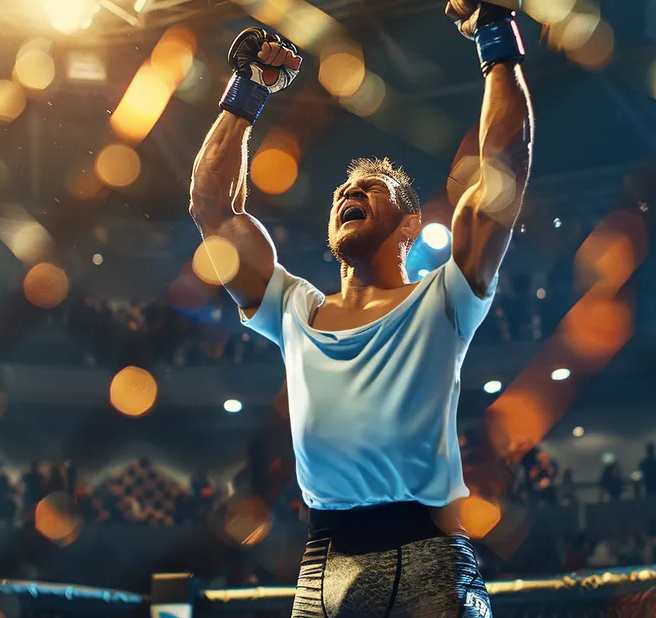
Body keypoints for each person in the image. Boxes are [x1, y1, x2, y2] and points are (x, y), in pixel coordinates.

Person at [188, 1, 533, 615]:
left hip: (432, 554)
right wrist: (246, 94)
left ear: (408, 226)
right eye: (343, 189)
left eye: (369, 188)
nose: (348, 190)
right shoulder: (292, 308)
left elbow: (504, 169)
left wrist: (494, 36)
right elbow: (212, 208)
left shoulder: (446, 296)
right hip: (327, 565)